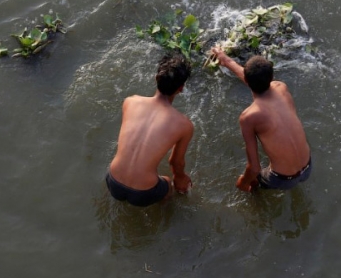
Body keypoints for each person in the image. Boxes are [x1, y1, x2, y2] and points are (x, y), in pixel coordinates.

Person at [211, 48, 311, 192]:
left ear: (247, 81)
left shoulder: (249, 117)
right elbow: (258, 82)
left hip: (282, 179)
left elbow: (254, 168)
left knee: (251, 184)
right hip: (307, 168)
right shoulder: (281, 87)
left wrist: (244, 183)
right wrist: (226, 61)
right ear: (272, 76)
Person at [106, 53, 195, 206]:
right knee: (167, 183)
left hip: (112, 182)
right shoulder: (184, 125)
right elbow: (175, 163)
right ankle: (165, 209)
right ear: (181, 88)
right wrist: (181, 180)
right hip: (143, 193)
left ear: (156, 78)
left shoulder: (130, 102)